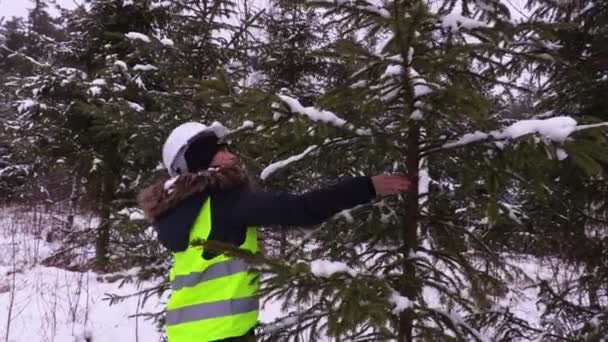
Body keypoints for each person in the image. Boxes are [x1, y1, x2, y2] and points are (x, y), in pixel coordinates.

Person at [138, 122, 410, 342]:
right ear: (198, 159)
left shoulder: (182, 209)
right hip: (222, 335)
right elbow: (302, 209)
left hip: (184, 334)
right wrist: (368, 186)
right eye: (218, 149)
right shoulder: (224, 202)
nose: (231, 153)